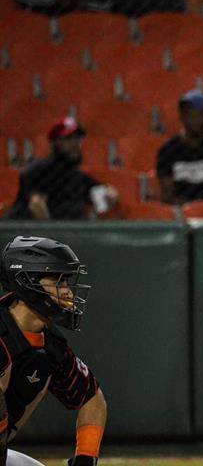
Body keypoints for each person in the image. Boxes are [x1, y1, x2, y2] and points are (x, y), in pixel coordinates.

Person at [0, 235, 107, 466]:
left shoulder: (50, 346)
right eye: (58, 281)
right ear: (25, 280)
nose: (68, 291)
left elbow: (92, 399)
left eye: (66, 281)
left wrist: (85, 459)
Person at [7, 118, 118, 220]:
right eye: (68, 139)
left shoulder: (77, 176)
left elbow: (100, 192)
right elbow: (36, 205)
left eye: (78, 139)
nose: (75, 144)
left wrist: (109, 193)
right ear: (54, 143)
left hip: (66, 235)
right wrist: (53, 236)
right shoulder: (38, 170)